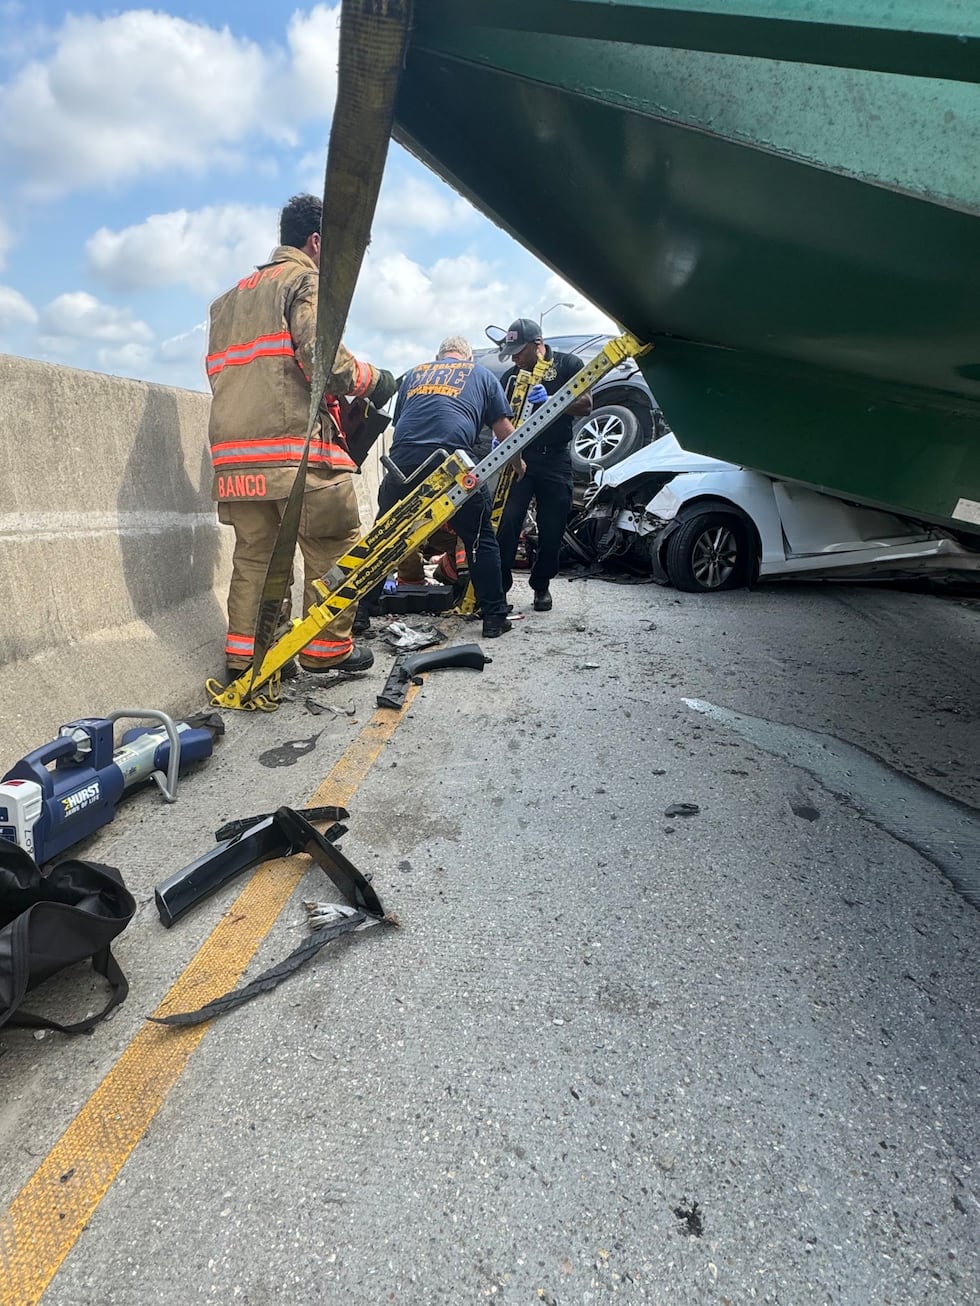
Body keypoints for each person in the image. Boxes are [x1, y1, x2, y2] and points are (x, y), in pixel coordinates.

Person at [206, 193, 397, 679]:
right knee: (335, 541)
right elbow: (322, 357)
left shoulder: (227, 301)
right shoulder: (305, 279)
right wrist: (374, 379)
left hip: (235, 459)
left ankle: (249, 656)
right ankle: (324, 649)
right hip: (293, 452)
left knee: (255, 554)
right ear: (316, 241)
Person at [367, 335, 522, 638]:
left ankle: (361, 612)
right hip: (453, 463)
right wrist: (518, 465)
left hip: (401, 465)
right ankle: (493, 617)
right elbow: (506, 432)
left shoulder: (414, 373)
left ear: (439, 357)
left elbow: (404, 425)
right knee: (479, 537)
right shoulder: (480, 374)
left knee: (382, 539)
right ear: (466, 357)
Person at [494, 317, 592, 612]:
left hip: (556, 458)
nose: (514, 358)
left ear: (538, 346)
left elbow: (587, 404)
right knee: (508, 522)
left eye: (519, 351)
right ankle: (500, 589)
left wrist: (553, 400)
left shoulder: (568, 365)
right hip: (521, 457)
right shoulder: (511, 377)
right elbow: (501, 418)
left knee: (553, 526)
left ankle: (542, 586)